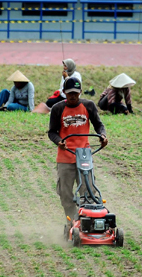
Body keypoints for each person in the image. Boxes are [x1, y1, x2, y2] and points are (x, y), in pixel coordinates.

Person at [48, 77, 108, 222]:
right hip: (65, 157)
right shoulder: (58, 108)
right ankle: (72, 221)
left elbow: (99, 125)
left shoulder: (89, 106)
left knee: (88, 192)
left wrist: (102, 135)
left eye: (75, 93)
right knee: (65, 194)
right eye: (69, 93)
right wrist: (59, 141)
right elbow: (52, 132)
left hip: (85, 156)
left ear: (80, 91)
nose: (73, 96)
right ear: (64, 93)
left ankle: (87, 222)